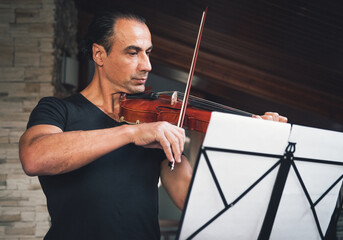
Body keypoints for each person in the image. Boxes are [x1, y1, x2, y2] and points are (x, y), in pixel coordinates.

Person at [19, 10, 287, 240]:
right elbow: (34, 156)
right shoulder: (59, 110)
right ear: (99, 55)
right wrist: (131, 132)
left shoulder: (156, 122)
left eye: (147, 53)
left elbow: (194, 201)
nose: (146, 65)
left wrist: (259, 141)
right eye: (133, 53)